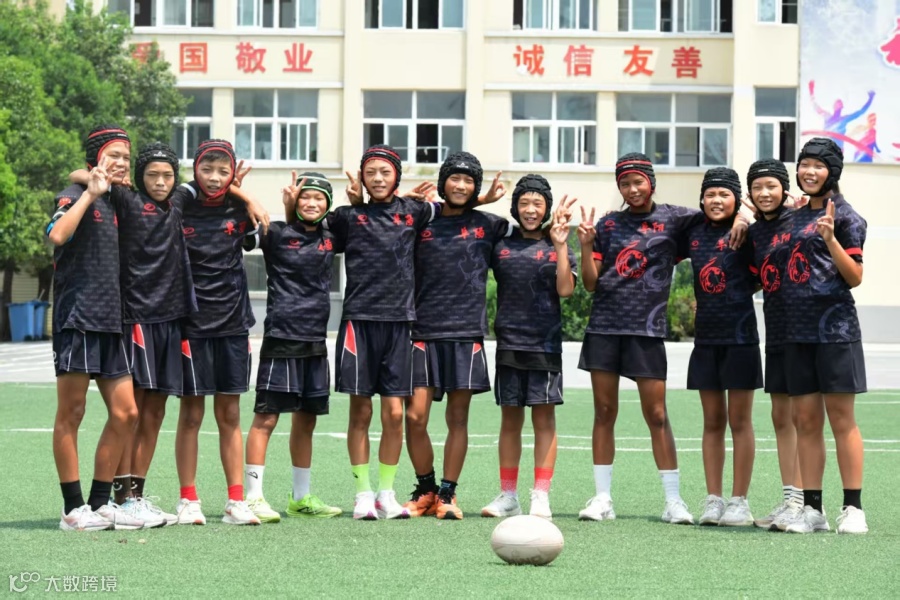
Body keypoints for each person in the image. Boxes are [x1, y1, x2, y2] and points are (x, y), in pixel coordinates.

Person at [577, 153, 747, 525]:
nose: (632, 189)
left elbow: (719, 212)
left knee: (657, 415)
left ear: (651, 182)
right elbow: (590, 283)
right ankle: (603, 498)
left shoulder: (676, 219)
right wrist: (586, 246)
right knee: (604, 412)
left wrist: (744, 218)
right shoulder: (608, 224)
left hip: (648, 330)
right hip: (604, 327)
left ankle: (673, 501)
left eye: (638, 181)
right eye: (625, 183)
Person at [325, 144, 440, 520]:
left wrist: (484, 197)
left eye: (385, 172)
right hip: (358, 322)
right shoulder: (346, 217)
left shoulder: (415, 211)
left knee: (393, 414)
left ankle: (386, 494)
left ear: (397, 177)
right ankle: (362, 494)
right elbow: (307, 222)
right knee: (360, 412)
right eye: (370, 172)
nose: (377, 178)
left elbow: (456, 208)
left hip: (400, 324)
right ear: (361, 177)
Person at [402, 152, 513, 520]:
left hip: (466, 332)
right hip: (422, 330)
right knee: (415, 417)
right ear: (443, 182)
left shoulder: (491, 226)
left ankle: (448, 494)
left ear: (476, 187)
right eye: (455, 178)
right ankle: (426, 490)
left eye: (469, 181)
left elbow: (529, 237)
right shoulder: (423, 220)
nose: (461, 185)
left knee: (458, 418)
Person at [47, 125, 142, 531]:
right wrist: (88, 191)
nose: (121, 162)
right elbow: (57, 234)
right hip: (78, 318)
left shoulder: (119, 200)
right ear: (95, 157)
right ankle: (73, 509)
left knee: (126, 412)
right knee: (72, 411)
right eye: (113, 155)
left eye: (126, 156)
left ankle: (101, 503)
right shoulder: (74, 195)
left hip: (110, 322)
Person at [241, 172, 343, 522]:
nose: (311, 203)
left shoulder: (331, 238)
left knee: (307, 420)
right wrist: (250, 196)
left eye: (318, 198)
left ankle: (300, 498)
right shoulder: (275, 233)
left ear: (328, 204)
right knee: (266, 418)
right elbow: (247, 234)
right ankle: (253, 497)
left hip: (316, 342)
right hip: (282, 338)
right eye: (305, 197)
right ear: (294, 202)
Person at [779, 138, 868, 534]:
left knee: (841, 420)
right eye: (804, 165)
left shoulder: (847, 217)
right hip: (796, 331)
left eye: (817, 165)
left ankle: (854, 508)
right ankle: (813, 510)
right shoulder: (793, 217)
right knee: (805, 420)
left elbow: (855, 277)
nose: (809, 172)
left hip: (836, 331)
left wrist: (830, 239)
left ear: (832, 171)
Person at [175, 139, 265, 526]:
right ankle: (188, 500)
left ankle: (235, 501)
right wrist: (239, 190)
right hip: (191, 326)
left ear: (232, 174)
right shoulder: (180, 205)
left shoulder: (239, 211)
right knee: (191, 415)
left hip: (233, 324)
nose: (214, 178)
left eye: (223, 171)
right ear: (195, 169)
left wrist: (243, 196)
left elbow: (261, 230)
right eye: (207, 169)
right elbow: (173, 192)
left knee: (229, 414)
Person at [480, 175, 576, 521]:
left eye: (537, 203)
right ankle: (509, 495)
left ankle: (541, 495)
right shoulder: (501, 243)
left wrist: (561, 246)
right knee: (510, 419)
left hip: (544, 344)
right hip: (509, 341)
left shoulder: (557, 244)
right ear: (515, 207)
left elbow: (566, 290)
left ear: (546, 208)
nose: (531, 210)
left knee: (544, 418)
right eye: (524, 203)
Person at [684, 168, 761, 527]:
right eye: (710, 194)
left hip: (741, 339)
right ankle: (713, 499)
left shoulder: (750, 233)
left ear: (736, 199)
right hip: (706, 340)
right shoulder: (692, 231)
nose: (716, 200)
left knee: (739, 421)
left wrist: (746, 216)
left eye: (724, 194)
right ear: (701, 199)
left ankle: (739, 501)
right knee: (712, 421)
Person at [744, 159, 807, 530]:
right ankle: (790, 500)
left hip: (806, 331)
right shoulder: (756, 233)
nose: (764, 193)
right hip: (776, 330)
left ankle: (806, 502)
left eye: (771, 186)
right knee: (780, 417)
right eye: (757, 187)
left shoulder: (802, 219)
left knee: (803, 418)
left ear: (785, 189)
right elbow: (754, 278)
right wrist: (740, 224)